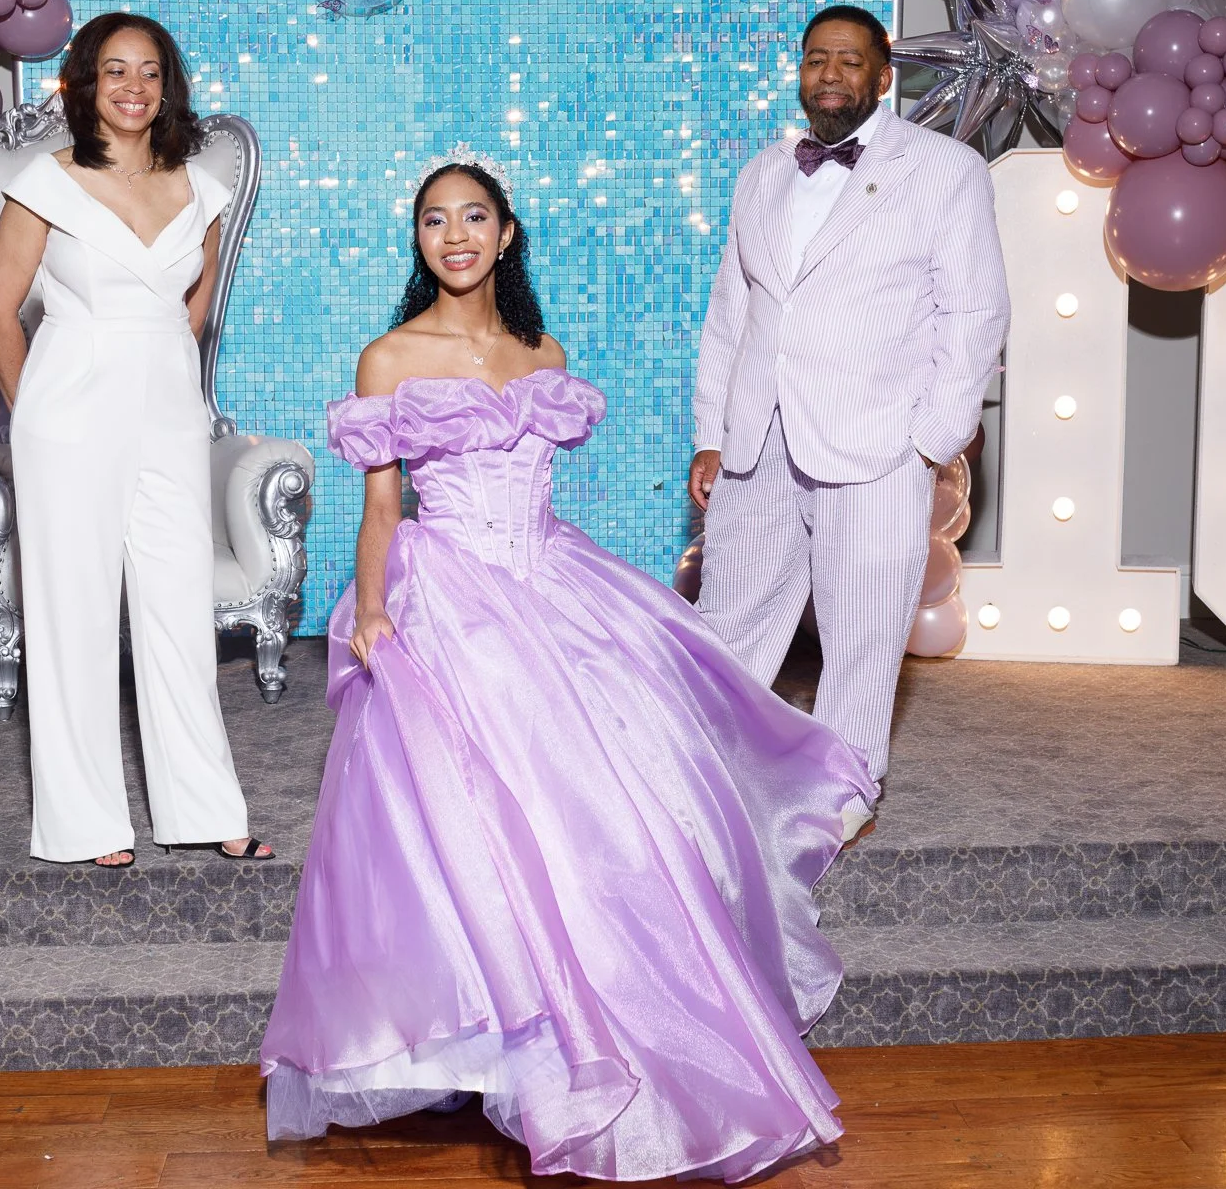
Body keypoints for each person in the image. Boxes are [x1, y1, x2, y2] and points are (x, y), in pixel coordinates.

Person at [259, 155, 874, 1183]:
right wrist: (370, 612)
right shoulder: (388, 358)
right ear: (419, 243)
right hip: (449, 594)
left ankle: (631, 1028)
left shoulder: (544, 351)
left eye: (472, 217)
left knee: (623, 805)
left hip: (553, 582)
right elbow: (380, 509)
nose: (453, 235)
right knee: (478, 823)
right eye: (432, 222)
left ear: (506, 234)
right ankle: (522, 1041)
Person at [690, 5, 1009, 843]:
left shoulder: (945, 170)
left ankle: (840, 798)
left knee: (864, 635)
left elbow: (974, 312)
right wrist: (713, 433)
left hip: (877, 445)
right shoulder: (762, 173)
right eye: (815, 60)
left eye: (849, 61)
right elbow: (733, 309)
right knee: (731, 622)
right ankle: (720, 780)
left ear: (882, 76)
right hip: (759, 438)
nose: (829, 74)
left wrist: (929, 442)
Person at [0, 12, 272, 867]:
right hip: (67, 409)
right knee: (71, 611)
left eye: (148, 71)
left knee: (179, 608)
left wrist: (161, 374)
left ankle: (206, 808)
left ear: (167, 86)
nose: (133, 86)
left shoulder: (202, 193)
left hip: (170, 411)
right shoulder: (47, 182)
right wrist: (32, 411)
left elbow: (194, 312)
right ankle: (85, 825)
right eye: (114, 71)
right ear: (85, 84)